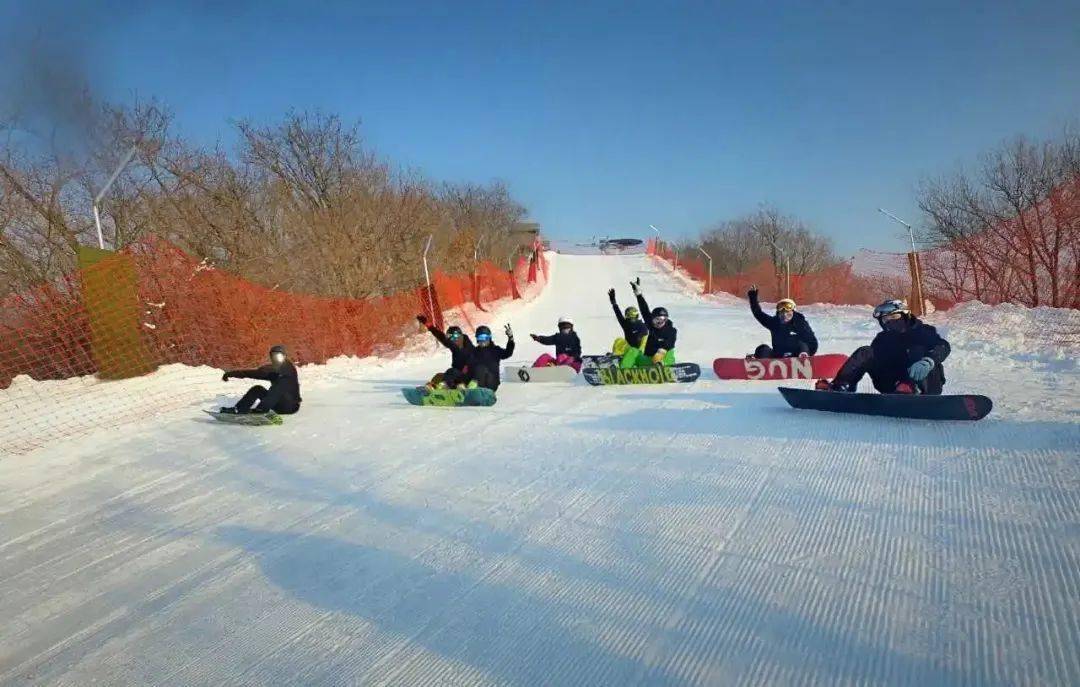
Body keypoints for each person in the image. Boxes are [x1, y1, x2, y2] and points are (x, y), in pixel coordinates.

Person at [816, 299, 950, 394]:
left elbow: (943, 346)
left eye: (895, 316)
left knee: (917, 350)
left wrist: (929, 360)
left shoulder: (923, 331)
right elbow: (872, 359)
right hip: (893, 384)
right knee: (865, 352)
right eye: (886, 319)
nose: (890, 322)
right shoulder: (883, 338)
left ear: (905, 316)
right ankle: (841, 386)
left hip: (926, 383)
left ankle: (911, 387)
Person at [220, 344, 302, 414]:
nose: (276, 358)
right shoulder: (271, 371)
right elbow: (251, 373)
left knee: (280, 385)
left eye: (279, 355)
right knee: (257, 389)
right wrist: (231, 374)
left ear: (284, 356)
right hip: (278, 405)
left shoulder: (289, 368)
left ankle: (261, 410)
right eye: (273, 355)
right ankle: (239, 409)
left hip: (291, 406)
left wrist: (265, 369)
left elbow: (278, 370)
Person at [746, 285, 818, 359]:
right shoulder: (774, 323)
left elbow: (812, 343)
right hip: (777, 357)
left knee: (802, 345)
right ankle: (758, 363)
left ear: (793, 311)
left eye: (788, 311)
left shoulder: (801, 323)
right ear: (778, 312)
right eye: (782, 311)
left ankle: (804, 358)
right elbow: (758, 314)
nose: (785, 314)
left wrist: (806, 352)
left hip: (796, 356)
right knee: (763, 348)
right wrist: (753, 297)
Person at [620, 280, 676, 368]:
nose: (660, 322)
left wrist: (660, 355)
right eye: (657, 319)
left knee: (667, 352)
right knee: (634, 351)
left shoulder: (670, 330)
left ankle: (662, 368)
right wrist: (638, 294)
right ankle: (622, 371)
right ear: (652, 319)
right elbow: (644, 309)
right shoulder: (650, 324)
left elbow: (669, 344)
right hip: (649, 360)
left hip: (663, 360)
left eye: (663, 319)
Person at [417, 314, 473, 389]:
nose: (453, 339)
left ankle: (451, 386)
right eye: (450, 337)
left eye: (456, 336)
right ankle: (431, 388)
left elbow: (474, 358)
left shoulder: (466, 344)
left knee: (451, 372)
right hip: (456, 374)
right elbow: (442, 337)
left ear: (461, 335)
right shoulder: (455, 345)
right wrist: (428, 325)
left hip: (468, 376)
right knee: (439, 376)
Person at [462, 324, 516, 391]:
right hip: (476, 381)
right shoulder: (474, 351)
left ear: (489, 338)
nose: (482, 341)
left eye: (484, 337)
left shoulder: (495, 350)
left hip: (491, 383)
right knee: (455, 371)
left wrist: (510, 339)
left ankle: (470, 390)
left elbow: (508, 353)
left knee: (480, 368)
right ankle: (450, 388)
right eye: (480, 338)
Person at [607, 287, 650, 359]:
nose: (631, 320)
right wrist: (614, 303)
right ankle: (616, 358)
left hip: (643, 352)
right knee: (619, 340)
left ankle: (654, 360)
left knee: (646, 339)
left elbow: (645, 310)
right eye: (630, 317)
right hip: (629, 352)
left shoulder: (645, 324)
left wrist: (639, 294)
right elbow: (618, 314)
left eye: (632, 317)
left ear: (637, 316)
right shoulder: (626, 324)